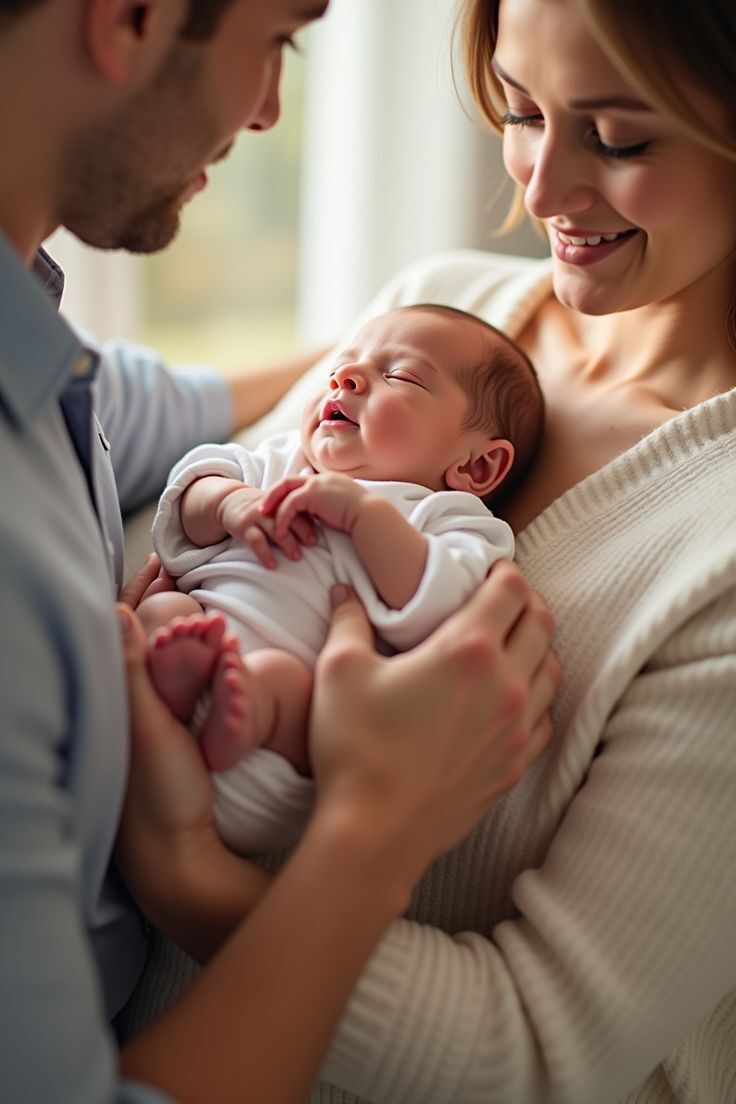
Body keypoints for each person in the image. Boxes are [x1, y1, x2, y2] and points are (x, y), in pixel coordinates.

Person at [121, 0, 736, 1100]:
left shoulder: (714, 539)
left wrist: (186, 873)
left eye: (621, 137)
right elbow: (208, 538)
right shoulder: (436, 311)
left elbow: (543, 1051)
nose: (539, 191)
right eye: (518, 108)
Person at [0, 3, 560, 1104]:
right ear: (131, 20)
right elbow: (200, 476)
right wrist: (370, 832)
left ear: (478, 464)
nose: (268, 112)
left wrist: (385, 354)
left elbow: (150, 400)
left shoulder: (52, 363)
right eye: (280, 42)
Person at [135, 303, 544, 852]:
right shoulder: (284, 464)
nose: (344, 377)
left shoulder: (443, 518)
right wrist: (232, 504)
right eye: (343, 365)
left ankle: (246, 709)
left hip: (272, 772)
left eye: (398, 375)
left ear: (476, 467)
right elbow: (191, 488)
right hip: (152, 716)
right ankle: (182, 681)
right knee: (164, 611)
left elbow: (451, 600)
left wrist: (362, 515)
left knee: (284, 679)